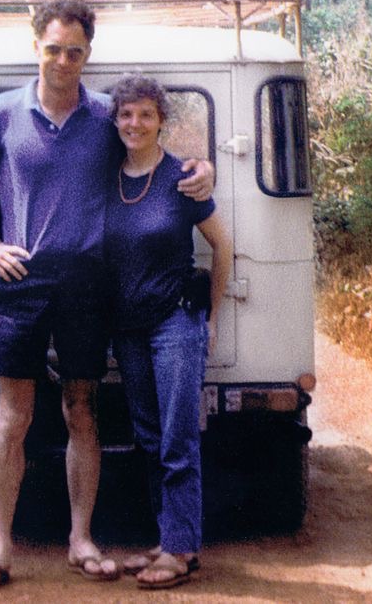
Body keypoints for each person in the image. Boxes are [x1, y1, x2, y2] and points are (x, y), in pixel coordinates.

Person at [0, 0, 214, 592]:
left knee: (82, 412)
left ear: (88, 54)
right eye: (53, 48)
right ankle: (0, 547)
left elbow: (155, 149)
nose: (63, 60)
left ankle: (81, 539)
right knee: (13, 419)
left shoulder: (108, 115)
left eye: (75, 51)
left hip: (88, 287)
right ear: (36, 46)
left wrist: (203, 167)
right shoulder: (1, 113)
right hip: (20, 284)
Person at [105, 75, 233, 589]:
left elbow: (222, 246)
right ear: (116, 121)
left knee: (178, 438)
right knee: (149, 437)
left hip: (176, 323)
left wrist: (213, 318)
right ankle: (168, 537)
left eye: (145, 115)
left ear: (161, 120)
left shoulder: (183, 178)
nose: (134, 124)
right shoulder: (106, 177)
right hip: (128, 329)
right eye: (126, 115)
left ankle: (180, 550)